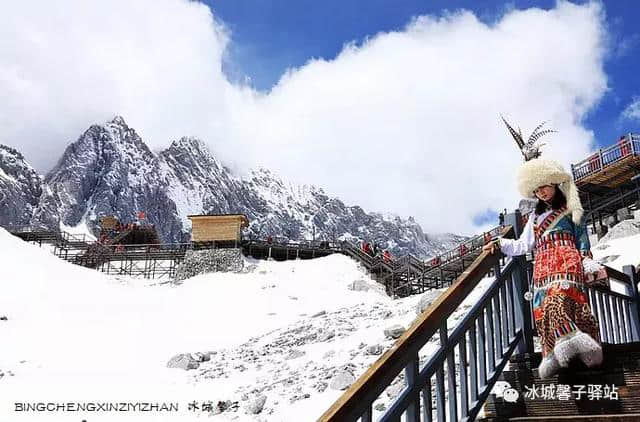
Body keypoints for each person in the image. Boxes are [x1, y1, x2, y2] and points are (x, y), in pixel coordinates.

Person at [483, 158, 604, 379]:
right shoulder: (535, 217)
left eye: (544, 187)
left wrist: (586, 259)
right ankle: (556, 354)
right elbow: (523, 244)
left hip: (567, 259)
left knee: (564, 298)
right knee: (543, 309)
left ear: (554, 184)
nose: (541, 193)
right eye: (536, 190)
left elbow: (582, 238)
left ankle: (583, 347)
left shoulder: (571, 209)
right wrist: (500, 243)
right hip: (542, 266)